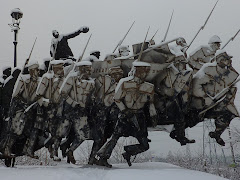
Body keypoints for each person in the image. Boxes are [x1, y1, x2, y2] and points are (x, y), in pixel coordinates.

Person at [97, 61, 157, 168]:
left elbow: (151, 103)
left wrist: (153, 115)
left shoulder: (149, 87)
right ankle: (103, 157)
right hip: (125, 116)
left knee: (144, 145)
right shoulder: (125, 83)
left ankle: (128, 152)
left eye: (145, 71)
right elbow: (117, 99)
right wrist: (124, 110)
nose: (144, 74)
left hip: (139, 117)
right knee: (115, 137)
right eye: (141, 71)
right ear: (136, 71)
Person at [191, 51, 239, 146]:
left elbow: (231, 91)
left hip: (217, 104)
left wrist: (226, 101)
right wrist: (205, 97)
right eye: (226, 60)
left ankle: (217, 133)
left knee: (229, 114)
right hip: (201, 103)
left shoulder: (230, 74)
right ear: (220, 60)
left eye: (229, 60)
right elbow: (196, 84)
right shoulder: (208, 69)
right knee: (191, 120)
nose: (229, 62)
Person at [60, 61, 95, 164]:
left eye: (90, 69)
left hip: (82, 112)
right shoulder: (72, 78)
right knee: (60, 133)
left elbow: (91, 97)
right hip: (70, 110)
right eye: (87, 69)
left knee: (84, 134)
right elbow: (63, 92)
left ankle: (70, 150)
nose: (89, 72)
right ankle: (60, 147)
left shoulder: (91, 83)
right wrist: (73, 103)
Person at [2, 62, 40, 157]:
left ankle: (27, 149)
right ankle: (7, 149)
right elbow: (15, 96)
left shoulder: (39, 82)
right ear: (31, 71)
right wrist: (23, 105)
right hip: (20, 110)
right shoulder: (23, 80)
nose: (38, 72)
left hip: (31, 111)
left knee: (30, 130)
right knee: (16, 130)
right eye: (36, 70)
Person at [36, 60, 65, 161]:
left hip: (60, 108)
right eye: (59, 68)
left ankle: (53, 148)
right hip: (49, 108)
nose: (61, 70)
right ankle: (53, 151)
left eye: (62, 68)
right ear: (54, 69)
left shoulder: (64, 79)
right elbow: (38, 95)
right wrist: (45, 102)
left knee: (60, 132)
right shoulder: (47, 78)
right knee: (54, 131)